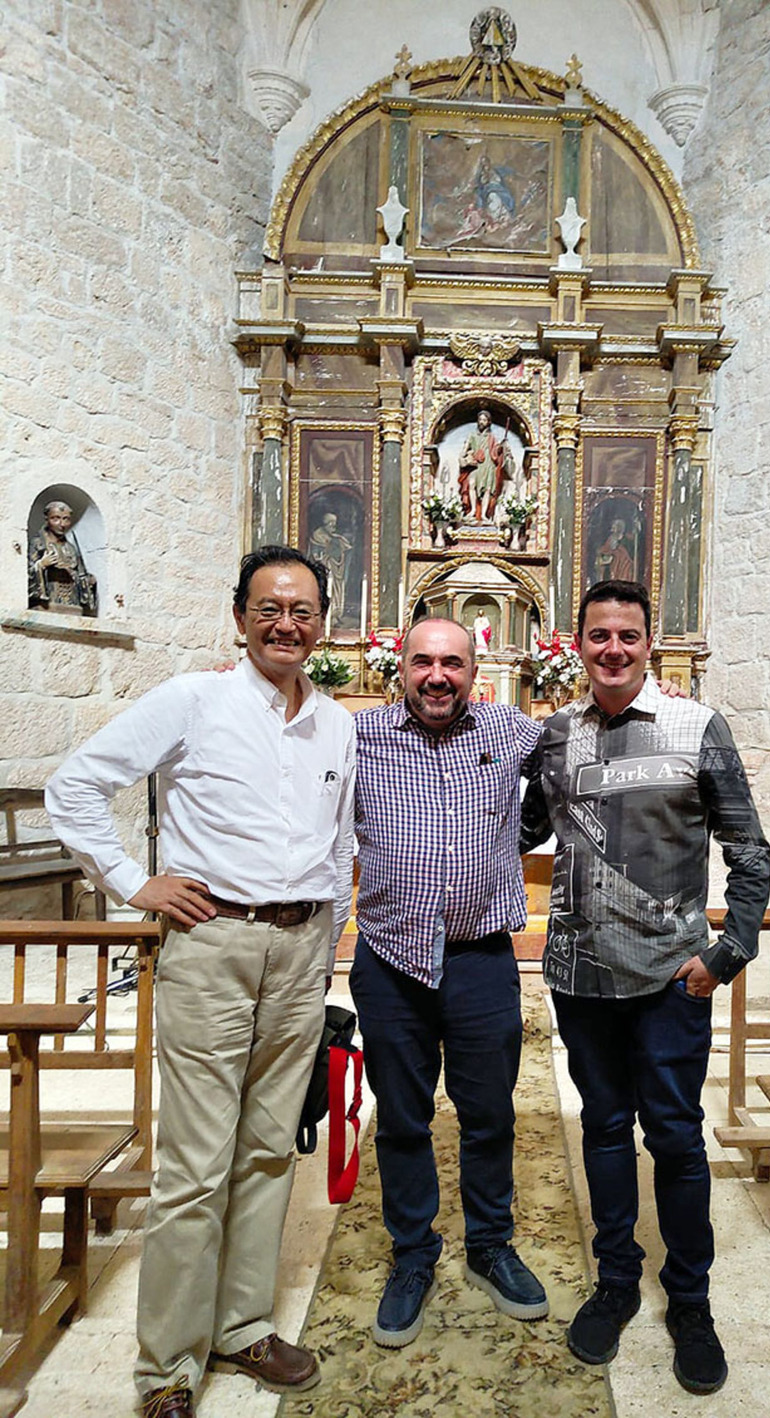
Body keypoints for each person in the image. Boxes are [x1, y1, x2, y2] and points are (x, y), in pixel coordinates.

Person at [45, 545, 356, 1418]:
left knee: (265, 1146)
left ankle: (244, 1326)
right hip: (212, 942)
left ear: (323, 620)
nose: (286, 623)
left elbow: (337, 839)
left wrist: (327, 925)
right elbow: (75, 786)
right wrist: (133, 880)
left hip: (301, 951)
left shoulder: (335, 722)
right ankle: (169, 1369)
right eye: (269, 608)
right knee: (193, 1164)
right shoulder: (194, 700)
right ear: (240, 617)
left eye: (302, 609)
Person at [520, 579, 770, 1396]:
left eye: (628, 636)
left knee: (673, 1133)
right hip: (582, 977)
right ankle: (618, 1279)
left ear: (649, 645)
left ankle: (690, 1302)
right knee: (602, 1126)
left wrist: (727, 953)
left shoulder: (697, 727)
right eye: (599, 637)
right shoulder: (555, 736)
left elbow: (748, 847)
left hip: (671, 977)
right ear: (578, 643)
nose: (614, 650)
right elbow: (519, 828)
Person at [349, 616, 548, 1348]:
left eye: (453, 663)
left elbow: (570, 769)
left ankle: (492, 1245)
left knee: (490, 1113)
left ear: (475, 668)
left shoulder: (511, 730)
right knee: (402, 1118)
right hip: (391, 961)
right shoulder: (359, 737)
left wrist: (516, 838)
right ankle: (412, 1256)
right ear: (398, 666)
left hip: (480, 959)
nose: (439, 676)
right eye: (424, 662)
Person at [28, 499, 97, 614]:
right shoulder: (38, 544)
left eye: (66, 519)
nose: (62, 524)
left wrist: (88, 580)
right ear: (47, 519)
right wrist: (41, 565)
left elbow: (81, 574)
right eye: (56, 518)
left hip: (71, 601)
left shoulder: (71, 548)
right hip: (49, 599)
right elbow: (25, 574)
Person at [458, 409, 513, 521]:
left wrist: (502, 447)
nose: (482, 422)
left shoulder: (492, 437)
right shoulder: (472, 435)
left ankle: (483, 514)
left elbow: (496, 450)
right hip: (476, 464)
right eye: (480, 420)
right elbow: (464, 451)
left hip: (488, 465)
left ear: (488, 422)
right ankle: (473, 511)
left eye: (484, 420)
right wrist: (464, 459)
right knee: (471, 484)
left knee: (487, 489)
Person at [308, 509, 352, 626]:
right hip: (325, 571)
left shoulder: (337, 538)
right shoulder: (318, 536)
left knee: (337, 589)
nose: (333, 526)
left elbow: (344, 551)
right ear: (324, 524)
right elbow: (316, 555)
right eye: (330, 523)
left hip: (336, 571)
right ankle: (326, 614)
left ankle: (336, 614)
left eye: (334, 523)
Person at [594, 516, 634, 582]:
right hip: (613, 560)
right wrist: (600, 550)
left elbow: (627, 553)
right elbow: (607, 548)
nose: (612, 529)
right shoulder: (611, 538)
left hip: (623, 562)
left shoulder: (627, 538)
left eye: (614, 527)